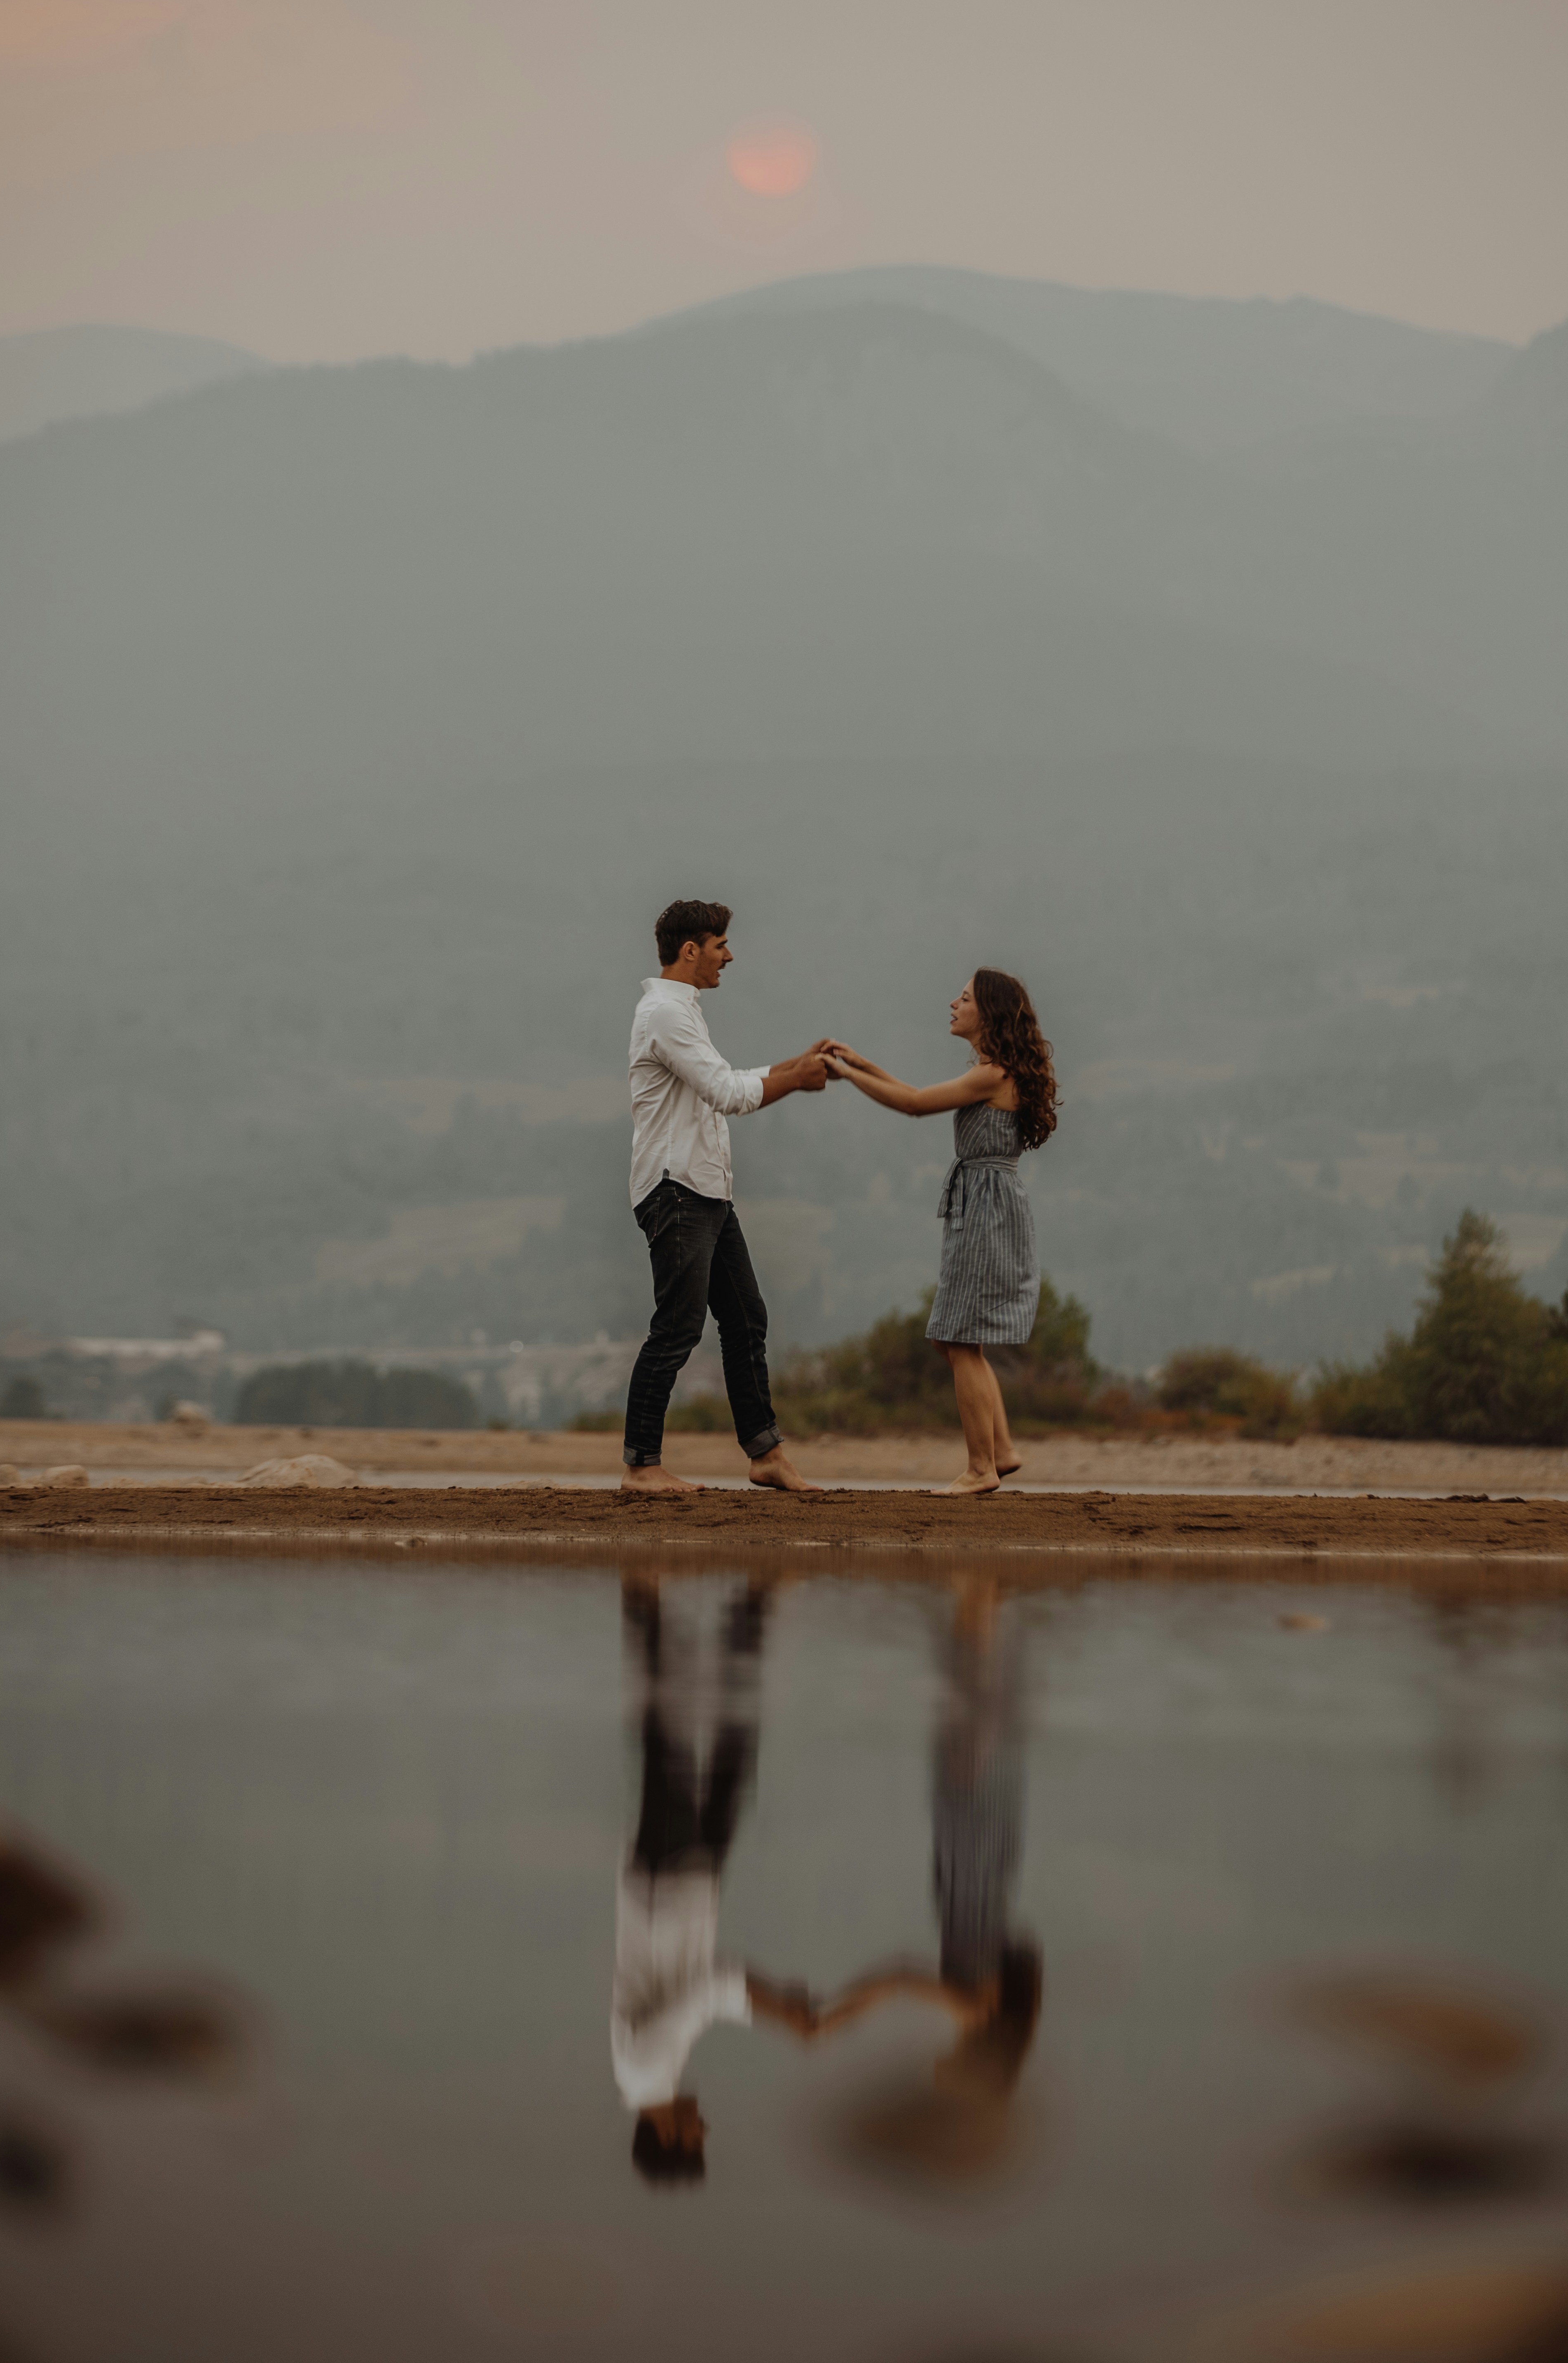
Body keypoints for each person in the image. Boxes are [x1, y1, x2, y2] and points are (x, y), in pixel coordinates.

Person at [807, 1575, 1042, 2184]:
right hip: (972, 1820)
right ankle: (981, 1589)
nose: (941, 2072)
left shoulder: (985, 1992)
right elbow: (900, 1979)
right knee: (975, 1697)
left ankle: (981, 1593)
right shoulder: (975, 2003)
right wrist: (839, 2014)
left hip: (980, 1820)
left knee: (979, 1700)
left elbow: (907, 1979)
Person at [613, 1574, 816, 2185]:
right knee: (734, 1748)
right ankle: (748, 1611)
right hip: (691, 1884)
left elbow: (702, 1994)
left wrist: (779, 2010)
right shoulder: (658, 2075)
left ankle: (646, 1601)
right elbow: (703, 1993)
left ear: (669, 2135)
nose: (706, 2127)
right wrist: (776, 2004)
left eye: (697, 2138)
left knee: (669, 1738)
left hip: (665, 1882)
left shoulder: (644, 2073)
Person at [822, 970, 1058, 1494]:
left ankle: (981, 1469)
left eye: (965, 998)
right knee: (955, 1338)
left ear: (988, 1014)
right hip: (985, 1203)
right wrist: (858, 1063)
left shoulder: (993, 1074)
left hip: (985, 1209)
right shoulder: (992, 1073)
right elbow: (913, 1092)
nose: (953, 1003)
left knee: (957, 1339)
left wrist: (843, 1072)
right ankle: (1002, 1450)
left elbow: (912, 1105)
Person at [624, 899, 829, 1495]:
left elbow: (724, 1078)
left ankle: (766, 1455)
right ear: (691, 951)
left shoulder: (679, 1011)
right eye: (721, 946)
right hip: (676, 1189)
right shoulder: (665, 1013)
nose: (729, 956)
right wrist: (796, 1079)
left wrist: (799, 1063)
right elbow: (728, 1093)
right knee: (679, 1327)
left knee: (745, 1320)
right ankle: (640, 1466)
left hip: (706, 1191)